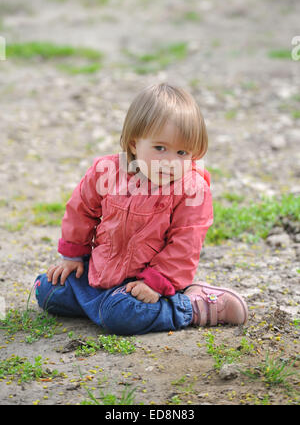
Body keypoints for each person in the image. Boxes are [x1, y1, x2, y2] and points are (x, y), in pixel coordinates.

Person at [34, 83, 248, 335]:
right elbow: (80, 210)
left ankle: (192, 306)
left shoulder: (191, 189)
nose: (170, 161)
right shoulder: (108, 171)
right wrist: (73, 256)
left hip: (147, 282)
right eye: (160, 148)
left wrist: (156, 283)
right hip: (100, 272)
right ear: (135, 144)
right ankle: (101, 305)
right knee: (47, 289)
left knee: (121, 314)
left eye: (181, 152)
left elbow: (185, 244)